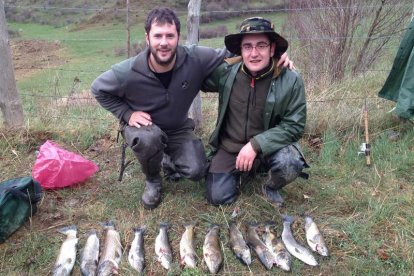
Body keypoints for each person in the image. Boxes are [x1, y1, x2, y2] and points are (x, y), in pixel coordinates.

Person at [91, 7, 292, 210]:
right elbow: (98, 89)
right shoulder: (128, 70)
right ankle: (153, 180)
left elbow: (235, 50)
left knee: (197, 170)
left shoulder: (195, 58)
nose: (163, 42)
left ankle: (166, 158)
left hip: (178, 129)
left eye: (170, 35)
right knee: (149, 138)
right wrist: (127, 113)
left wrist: (278, 56)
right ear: (147, 38)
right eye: (157, 35)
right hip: (144, 128)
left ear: (178, 37)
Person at [202, 17, 309, 206]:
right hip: (230, 148)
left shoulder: (291, 79)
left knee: (289, 163)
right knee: (217, 197)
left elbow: (294, 126)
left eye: (261, 45)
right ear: (240, 50)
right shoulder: (226, 72)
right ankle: (241, 173)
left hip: (269, 149)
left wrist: (255, 145)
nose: (254, 53)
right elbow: (193, 76)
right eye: (247, 46)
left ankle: (270, 185)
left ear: (272, 48)